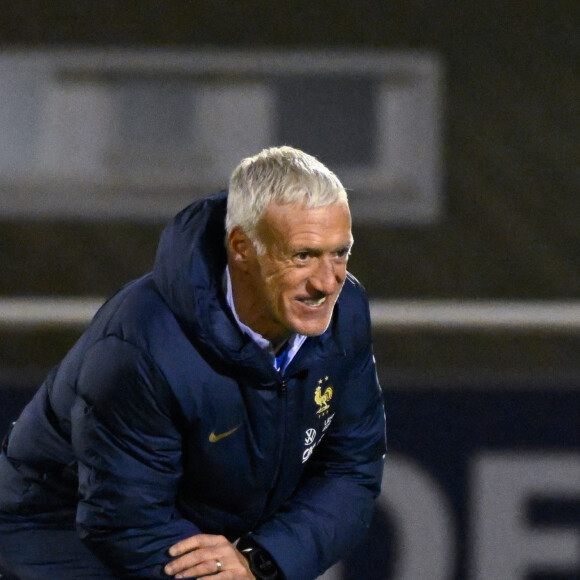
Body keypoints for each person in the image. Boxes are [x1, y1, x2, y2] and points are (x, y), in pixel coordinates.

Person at [0, 146, 386, 580]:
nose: (326, 282)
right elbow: (125, 518)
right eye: (302, 256)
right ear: (241, 247)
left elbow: (352, 469)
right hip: (54, 533)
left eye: (340, 253)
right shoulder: (142, 343)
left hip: (199, 537)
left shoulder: (346, 313)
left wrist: (259, 560)